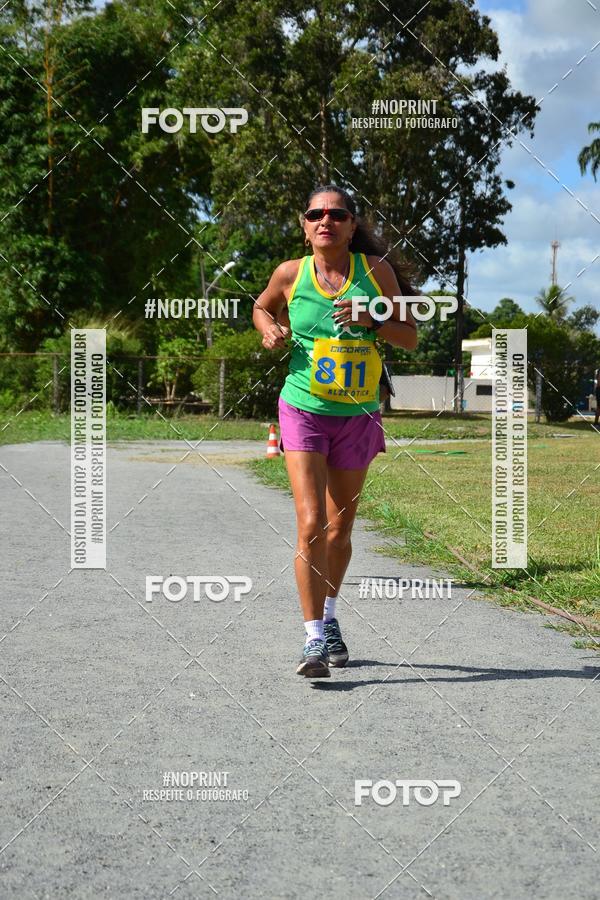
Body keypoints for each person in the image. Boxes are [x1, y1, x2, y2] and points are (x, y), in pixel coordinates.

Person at [253, 184, 418, 677]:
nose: (326, 220)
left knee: (339, 529)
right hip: (302, 409)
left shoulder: (377, 273)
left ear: (351, 225)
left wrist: (372, 318)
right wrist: (268, 328)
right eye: (315, 214)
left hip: (357, 414)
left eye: (337, 214)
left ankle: (329, 618)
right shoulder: (290, 274)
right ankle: (312, 642)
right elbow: (261, 307)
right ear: (305, 227)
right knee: (310, 524)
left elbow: (408, 337)